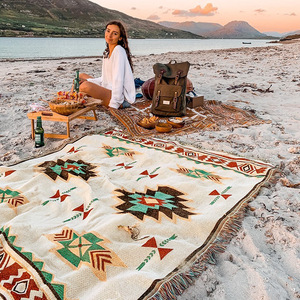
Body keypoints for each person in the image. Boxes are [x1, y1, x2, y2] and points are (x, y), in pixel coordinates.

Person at [79, 21, 135, 109]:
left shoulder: (119, 51)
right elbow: (105, 79)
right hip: (108, 89)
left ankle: (72, 100)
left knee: (84, 86)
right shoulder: (107, 53)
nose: (109, 35)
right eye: (108, 31)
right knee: (80, 76)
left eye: (115, 33)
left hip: (120, 98)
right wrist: (90, 81)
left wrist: (114, 104)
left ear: (120, 38)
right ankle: (71, 100)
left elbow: (118, 80)